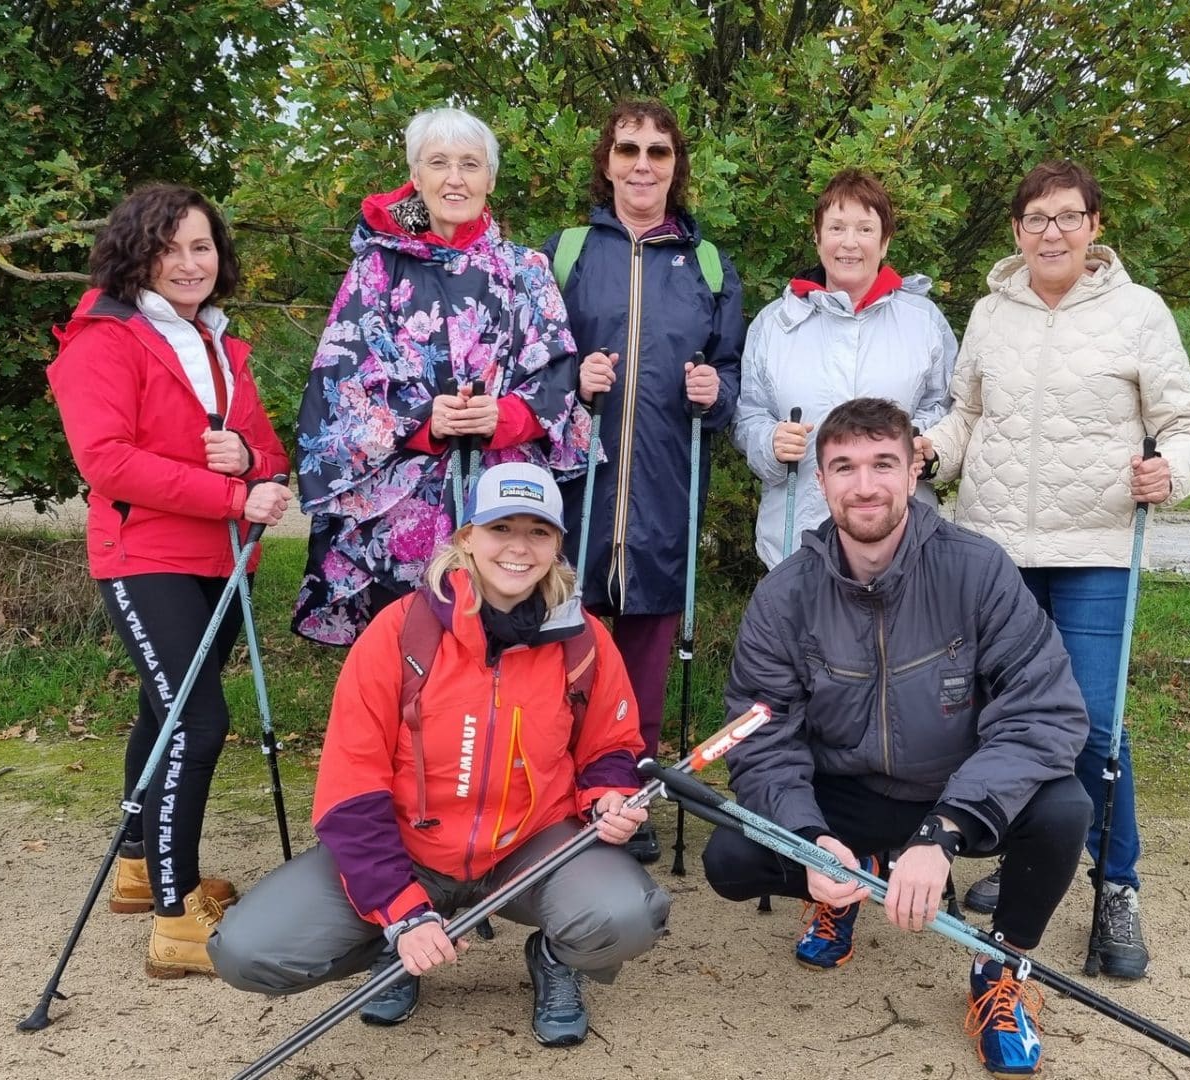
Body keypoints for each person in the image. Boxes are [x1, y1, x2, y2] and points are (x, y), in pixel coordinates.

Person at [211, 462, 667, 1046]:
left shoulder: (583, 639)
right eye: (502, 528)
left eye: (538, 532)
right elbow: (351, 789)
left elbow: (611, 746)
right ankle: (395, 945)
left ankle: (557, 958)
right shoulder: (399, 633)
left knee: (629, 914)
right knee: (248, 953)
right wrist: (400, 908)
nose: (519, 549)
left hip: (528, 847)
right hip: (410, 850)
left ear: (557, 545)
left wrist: (608, 796)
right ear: (465, 538)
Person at [703, 398, 1092, 1075]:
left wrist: (945, 831)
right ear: (819, 482)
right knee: (733, 856)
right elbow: (762, 737)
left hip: (956, 790)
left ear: (914, 469)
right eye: (844, 466)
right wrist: (810, 837)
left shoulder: (978, 569)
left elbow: (1044, 713)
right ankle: (846, 882)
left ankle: (1000, 967)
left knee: (1066, 808)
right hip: (846, 793)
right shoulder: (784, 594)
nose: (865, 485)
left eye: (884, 462)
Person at [925, 160, 1190, 982]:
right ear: (1016, 231)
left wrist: (1174, 471)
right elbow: (966, 417)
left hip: (1094, 552)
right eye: (1036, 219)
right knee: (995, 723)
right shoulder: (991, 312)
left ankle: (1115, 882)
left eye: (1068, 217)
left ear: (1095, 225)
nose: (1051, 232)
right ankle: (1025, 863)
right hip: (994, 553)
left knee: (1091, 728)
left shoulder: (1138, 313)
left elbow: (1186, 423)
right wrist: (929, 452)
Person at [48, 183, 293, 978]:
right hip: (144, 554)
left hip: (222, 562)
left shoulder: (219, 343)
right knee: (199, 722)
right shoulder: (103, 339)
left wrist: (251, 466)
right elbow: (106, 461)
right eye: (170, 247)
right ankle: (175, 913)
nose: (189, 263)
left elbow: (266, 451)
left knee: (163, 713)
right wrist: (231, 490)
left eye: (201, 246)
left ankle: (134, 864)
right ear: (137, 253)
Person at [292, 106, 589, 647]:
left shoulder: (525, 270)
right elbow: (340, 383)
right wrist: (424, 422)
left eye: (471, 164)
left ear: (490, 179)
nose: (456, 178)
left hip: (501, 498)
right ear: (417, 176)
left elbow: (557, 372)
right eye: (439, 163)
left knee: (499, 647)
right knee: (408, 650)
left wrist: (505, 417)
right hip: (403, 499)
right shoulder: (376, 270)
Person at [544, 99, 745, 862]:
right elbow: (527, 363)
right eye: (628, 148)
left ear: (674, 167)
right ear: (606, 160)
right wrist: (572, 375)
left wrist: (714, 395)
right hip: (577, 495)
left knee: (645, 666)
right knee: (564, 653)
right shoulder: (562, 253)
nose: (642, 163)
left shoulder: (708, 264)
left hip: (663, 490)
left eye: (658, 152)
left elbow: (731, 375)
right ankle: (559, 800)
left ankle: (628, 802)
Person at [732, 170, 956, 568]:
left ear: (884, 241)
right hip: (797, 539)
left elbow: (946, 407)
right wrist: (769, 441)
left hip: (902, 540)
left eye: (865, 228)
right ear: (817, 238)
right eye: (836, 227)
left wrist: (923, 440)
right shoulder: (774, 324)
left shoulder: (924, 322)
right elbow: (748, 413)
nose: (849, 243)